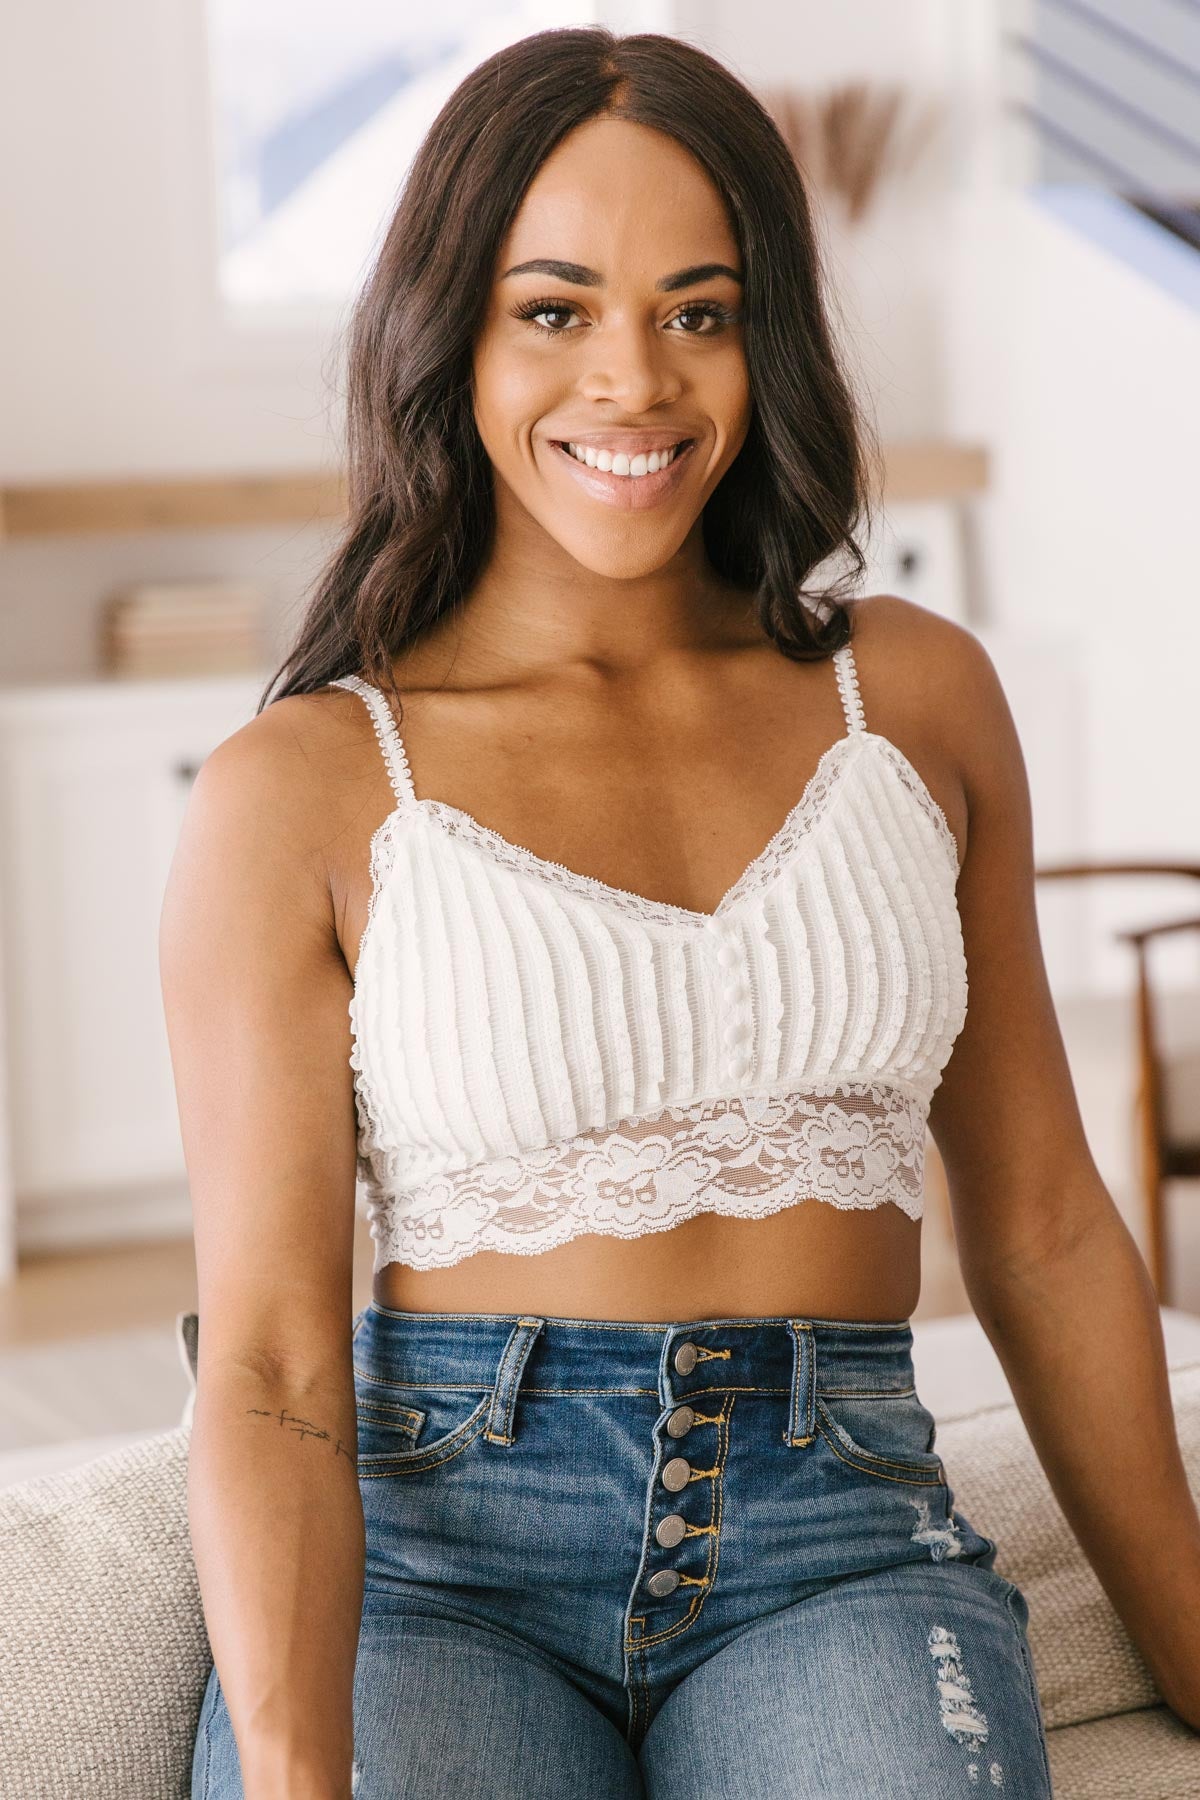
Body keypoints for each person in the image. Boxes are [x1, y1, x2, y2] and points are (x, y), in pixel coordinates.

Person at [163, 26, 1200, 1800]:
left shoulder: (915, 699)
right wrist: (290, 1773)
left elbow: (1041, 1226)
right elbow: (267, 1358)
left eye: (697, 311)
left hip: (841, 1536)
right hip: (436, 1564)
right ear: (449, 334)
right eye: (553, 309)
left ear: (763, 334)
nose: (633, 381)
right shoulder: (306, 785)